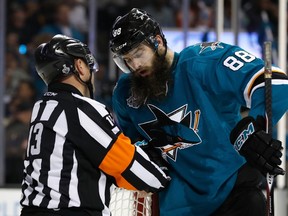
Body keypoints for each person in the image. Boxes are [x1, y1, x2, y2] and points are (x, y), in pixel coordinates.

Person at [109, 8, 288, 216]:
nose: (135, 65)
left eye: (138, 53)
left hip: (234, 191)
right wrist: (145, 153)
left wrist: (255, 127)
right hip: (179, 206)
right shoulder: (125, 94)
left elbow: (274, 82)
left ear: (157, 41)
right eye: (126, 60)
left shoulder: (203, 62)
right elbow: (133, 141)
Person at [20, 34, 170, 216]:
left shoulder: (41, 108)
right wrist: (159, 174)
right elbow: (134, 169)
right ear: (80, 66)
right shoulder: (79, 109)